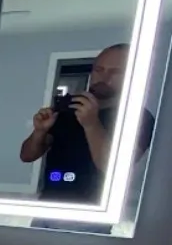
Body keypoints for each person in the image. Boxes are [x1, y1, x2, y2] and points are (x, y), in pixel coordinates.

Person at [19, 43, 156, 205]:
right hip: (49, 204)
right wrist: (39, 132)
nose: (103, 78)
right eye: (99, 70)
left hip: (93, 213)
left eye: (115, 72)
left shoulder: (138, 118)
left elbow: (113, 169)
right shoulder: (69, 109)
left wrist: (91, 124)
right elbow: (26, 156)